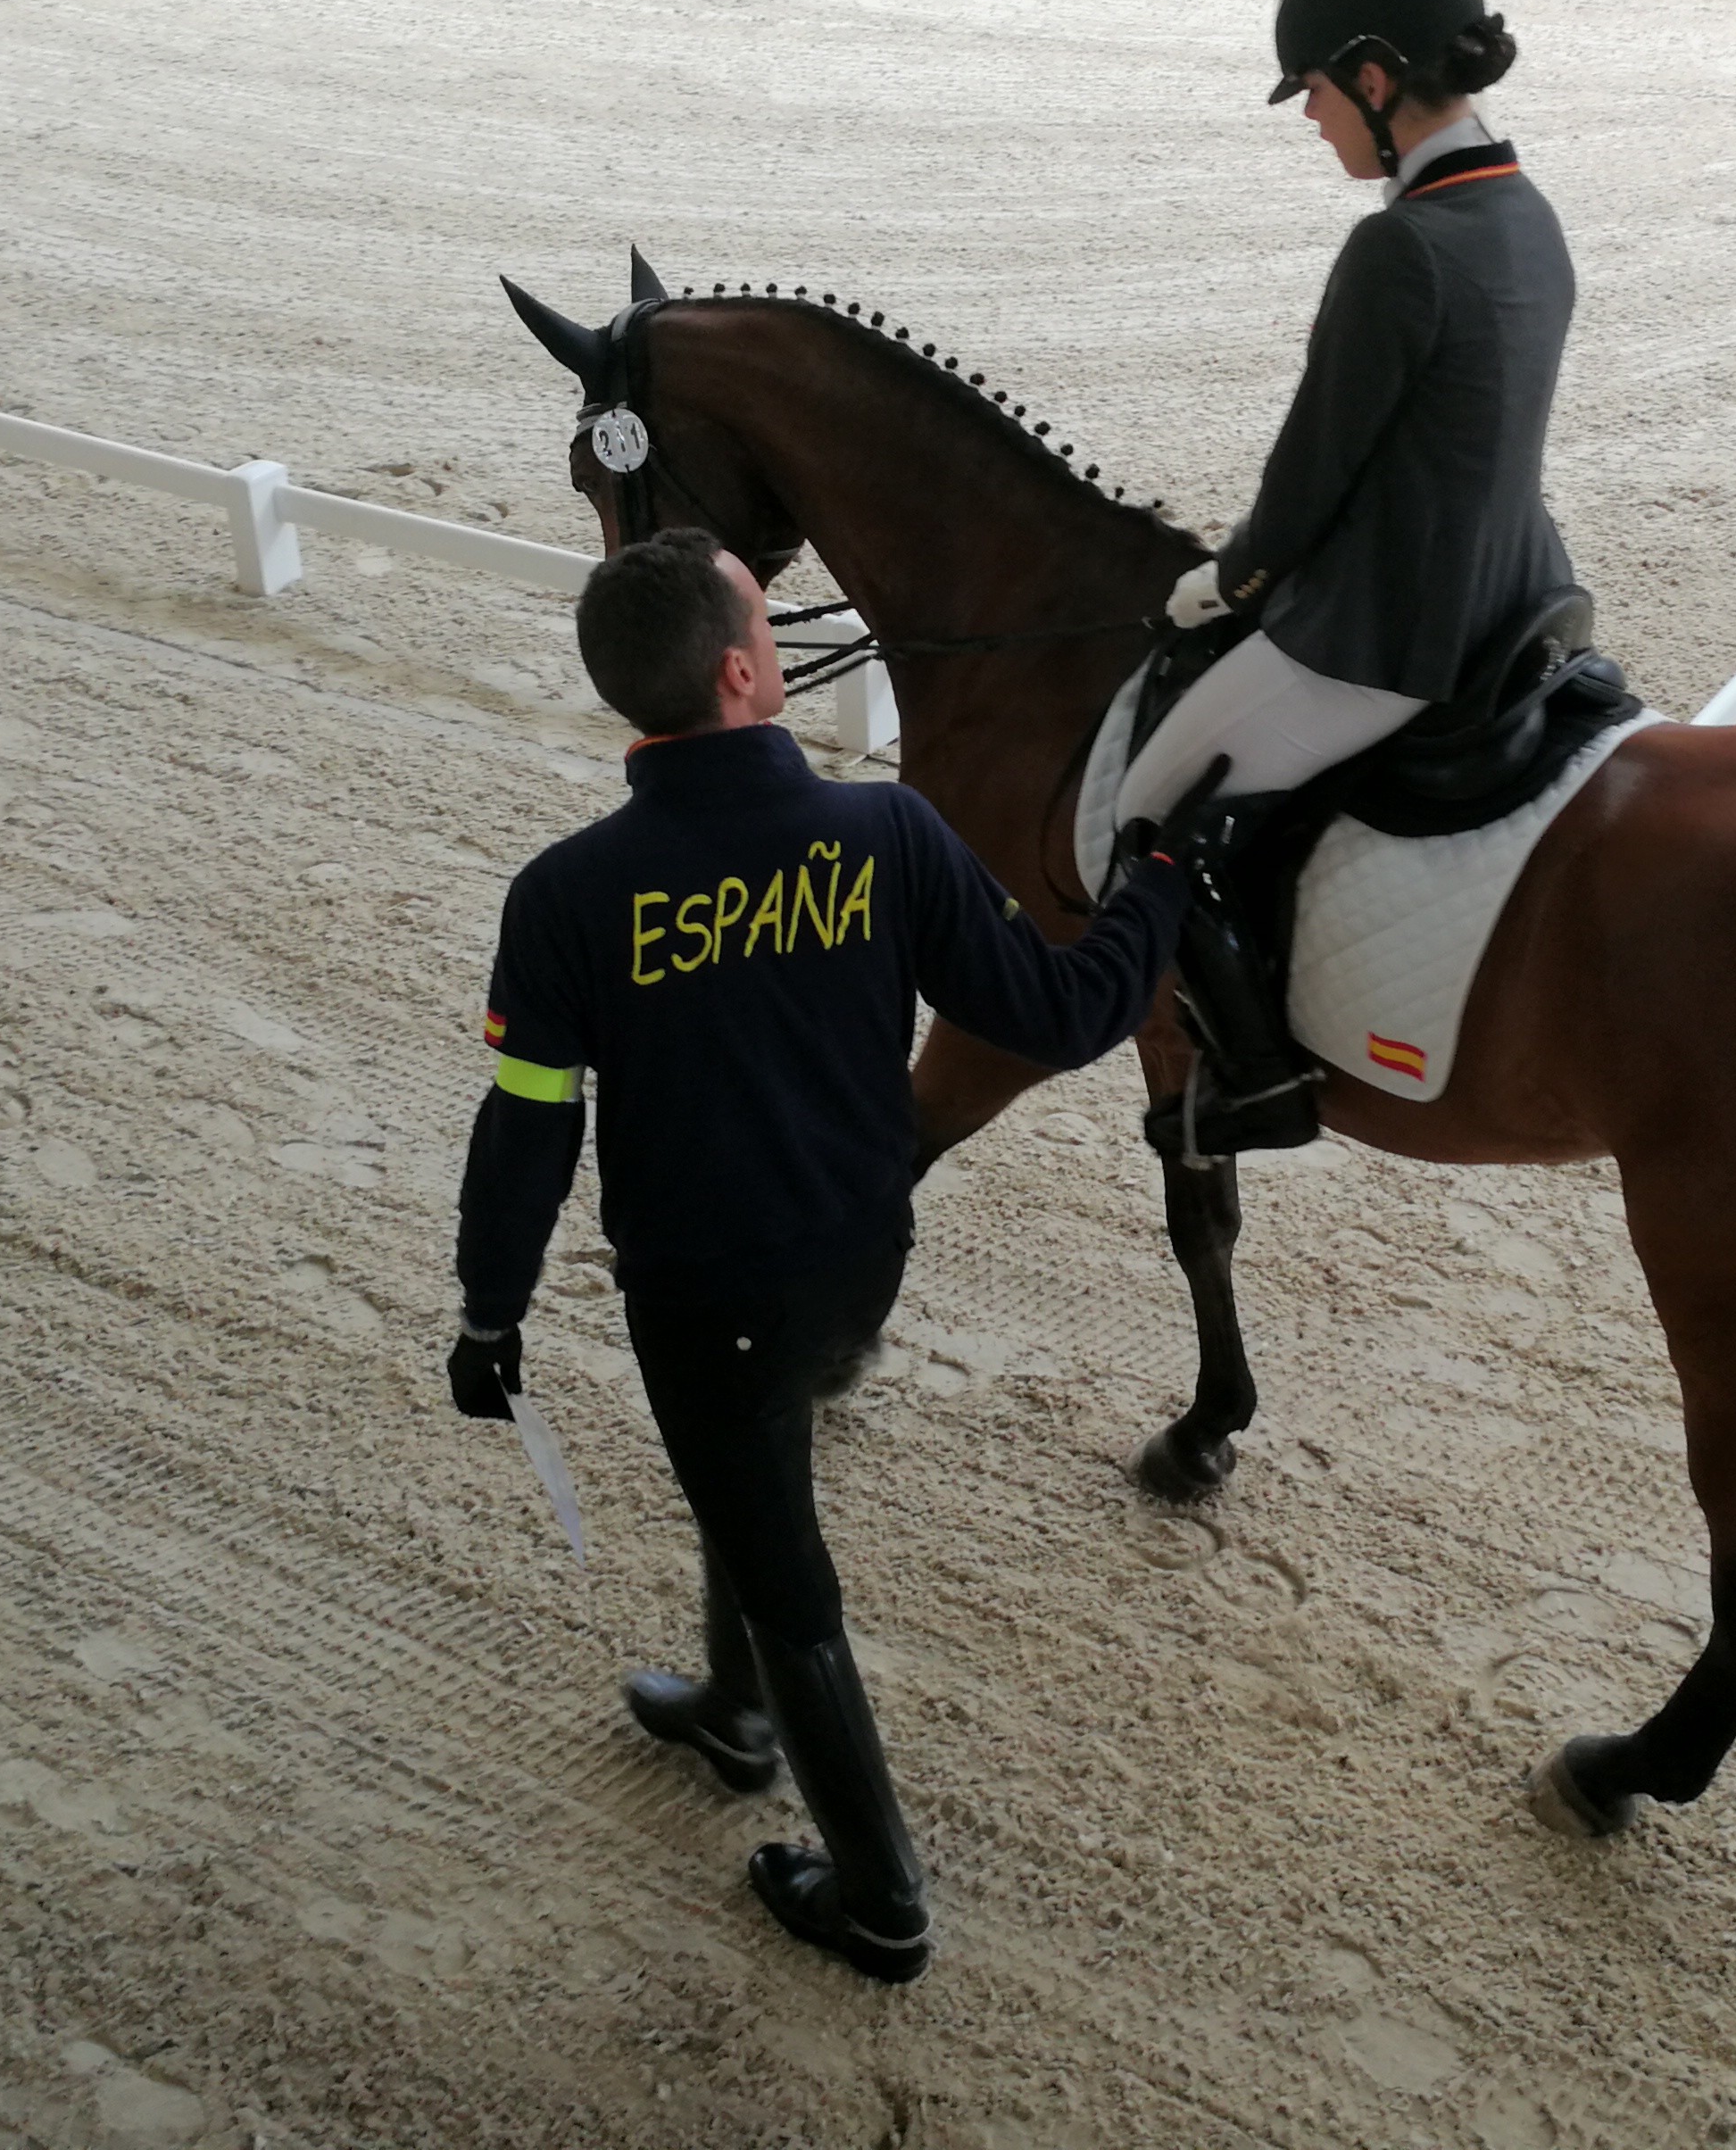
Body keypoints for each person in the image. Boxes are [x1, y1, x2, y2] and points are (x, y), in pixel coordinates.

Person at [446, 528, 1210, 1983]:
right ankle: (737, 1720)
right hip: (861, 1259)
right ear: (744, 672)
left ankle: (880, 1899)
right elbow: (1057, 1016)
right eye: (772, 623)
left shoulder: (562, 899)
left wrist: (490, 1311)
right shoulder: (887, 836)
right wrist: (1155, 885)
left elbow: (528, 1128)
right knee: (758, 1472)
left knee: (783, 1564)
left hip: (701, 1296)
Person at [1112, 0, 1578, 1158]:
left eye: (1315, 90)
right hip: (1520, 591)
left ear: (1373, 79)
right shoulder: (1527, 211)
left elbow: (1311, 478)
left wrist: (1227, 579)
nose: (1310, 117)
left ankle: (1256, 1078)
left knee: (1145, 814)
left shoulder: (1401, 246)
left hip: (1388, 631)